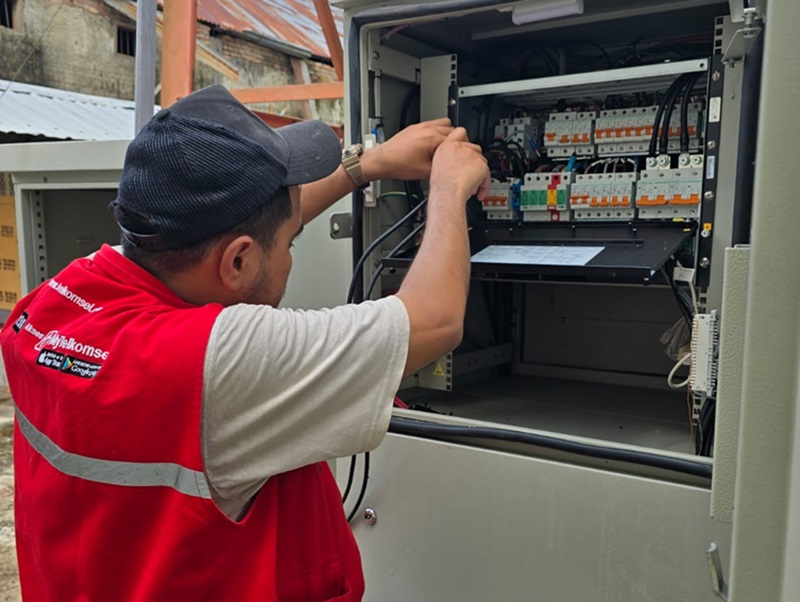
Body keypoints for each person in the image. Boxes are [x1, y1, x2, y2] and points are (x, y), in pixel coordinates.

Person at [0, 85, 490, 601]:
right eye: (291, 243)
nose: (291, 252)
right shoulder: (212, 364)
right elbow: (435, 319)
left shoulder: (57, 301)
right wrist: (447, 188)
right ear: (237, 261)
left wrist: (365, 166)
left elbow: (259, 227)